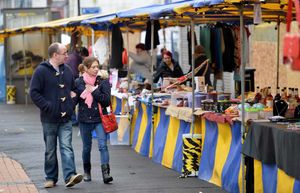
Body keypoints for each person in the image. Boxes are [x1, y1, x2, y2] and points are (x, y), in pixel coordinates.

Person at [29, 42, 83, 188]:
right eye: (64, 53)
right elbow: (33, 92)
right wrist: (48, 106)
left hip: (66, 118)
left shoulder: (68, 70)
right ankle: (51, 178)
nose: (67, 56)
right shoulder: (41, 71)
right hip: (49, 119)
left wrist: (71, 104)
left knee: (67, 147)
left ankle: (70, 176)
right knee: (50, 150)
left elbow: (75, 90)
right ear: (55, 55)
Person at [74, 56, 113, 184]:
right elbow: (76, 100)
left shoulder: (103, 82)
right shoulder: (78, 82)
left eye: (97, 67)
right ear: (86, 68)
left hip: (99, 118)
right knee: (86, 148)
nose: (96, 69)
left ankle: (106, 174)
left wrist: (94, 91)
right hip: (84, 119)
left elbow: (106, 100)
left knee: (103, 146)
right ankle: (87, 172)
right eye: (93, 67)